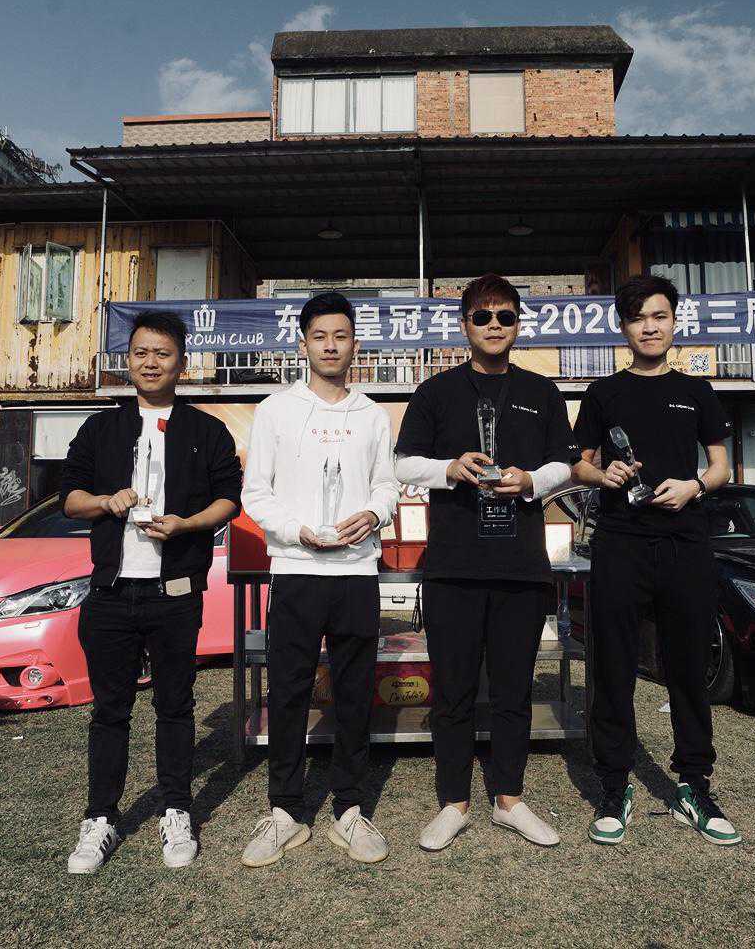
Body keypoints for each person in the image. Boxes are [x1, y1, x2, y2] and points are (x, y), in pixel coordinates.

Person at [395, 274, 577, 852]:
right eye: (482, 316)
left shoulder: (542, 392)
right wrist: (448, 469)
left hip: (520, 566)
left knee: (512, 690)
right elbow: (403, 464)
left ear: (519, 324)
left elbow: (566, 463)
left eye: (504, 316)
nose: (493, 325)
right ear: (464, 324)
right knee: (451, 690)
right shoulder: (435, 392)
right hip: (453, 565)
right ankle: (453, 802)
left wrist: (531, 481)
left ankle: (509, 799)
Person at [59, 310, 242, 873]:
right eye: (141, 352)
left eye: (163, 353)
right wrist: (105, 501)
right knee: (109, 710)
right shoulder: (101, 429)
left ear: (181, 362)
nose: (151, 362)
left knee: (175, 705)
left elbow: (228, 500)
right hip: (111, 591)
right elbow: (70, 499)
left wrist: (187, 525)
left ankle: (176, 810)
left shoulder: (207, 431)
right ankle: (100, 817)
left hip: (176, 591)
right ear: (128, 360)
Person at [570, 274, 740, 847]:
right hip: (620, 542)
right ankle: (613, 784)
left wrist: (695, 486)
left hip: (685, 544)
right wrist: (604, 474)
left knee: (687, 666)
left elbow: (720, 466)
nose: (650, 327)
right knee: (613, 665)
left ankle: (695, 784)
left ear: (673, 322)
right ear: (623, 326)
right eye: (639, 317)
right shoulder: (603, 393)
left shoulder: (697, 391)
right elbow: (579, 464)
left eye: (660, 316)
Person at [239, 291, 402, 867]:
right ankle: (285, 810)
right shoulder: (276, 410)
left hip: (355, 572)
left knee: (355, 690)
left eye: (341, 336)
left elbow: (387, 484)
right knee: (288, 690)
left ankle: (350, 809)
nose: (330, 346)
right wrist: (296, 530)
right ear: (303, 343)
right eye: (320, 336)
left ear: (355, 344)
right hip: (296, 569)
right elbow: (255, 491)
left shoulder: (372, 415)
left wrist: (375, 514)